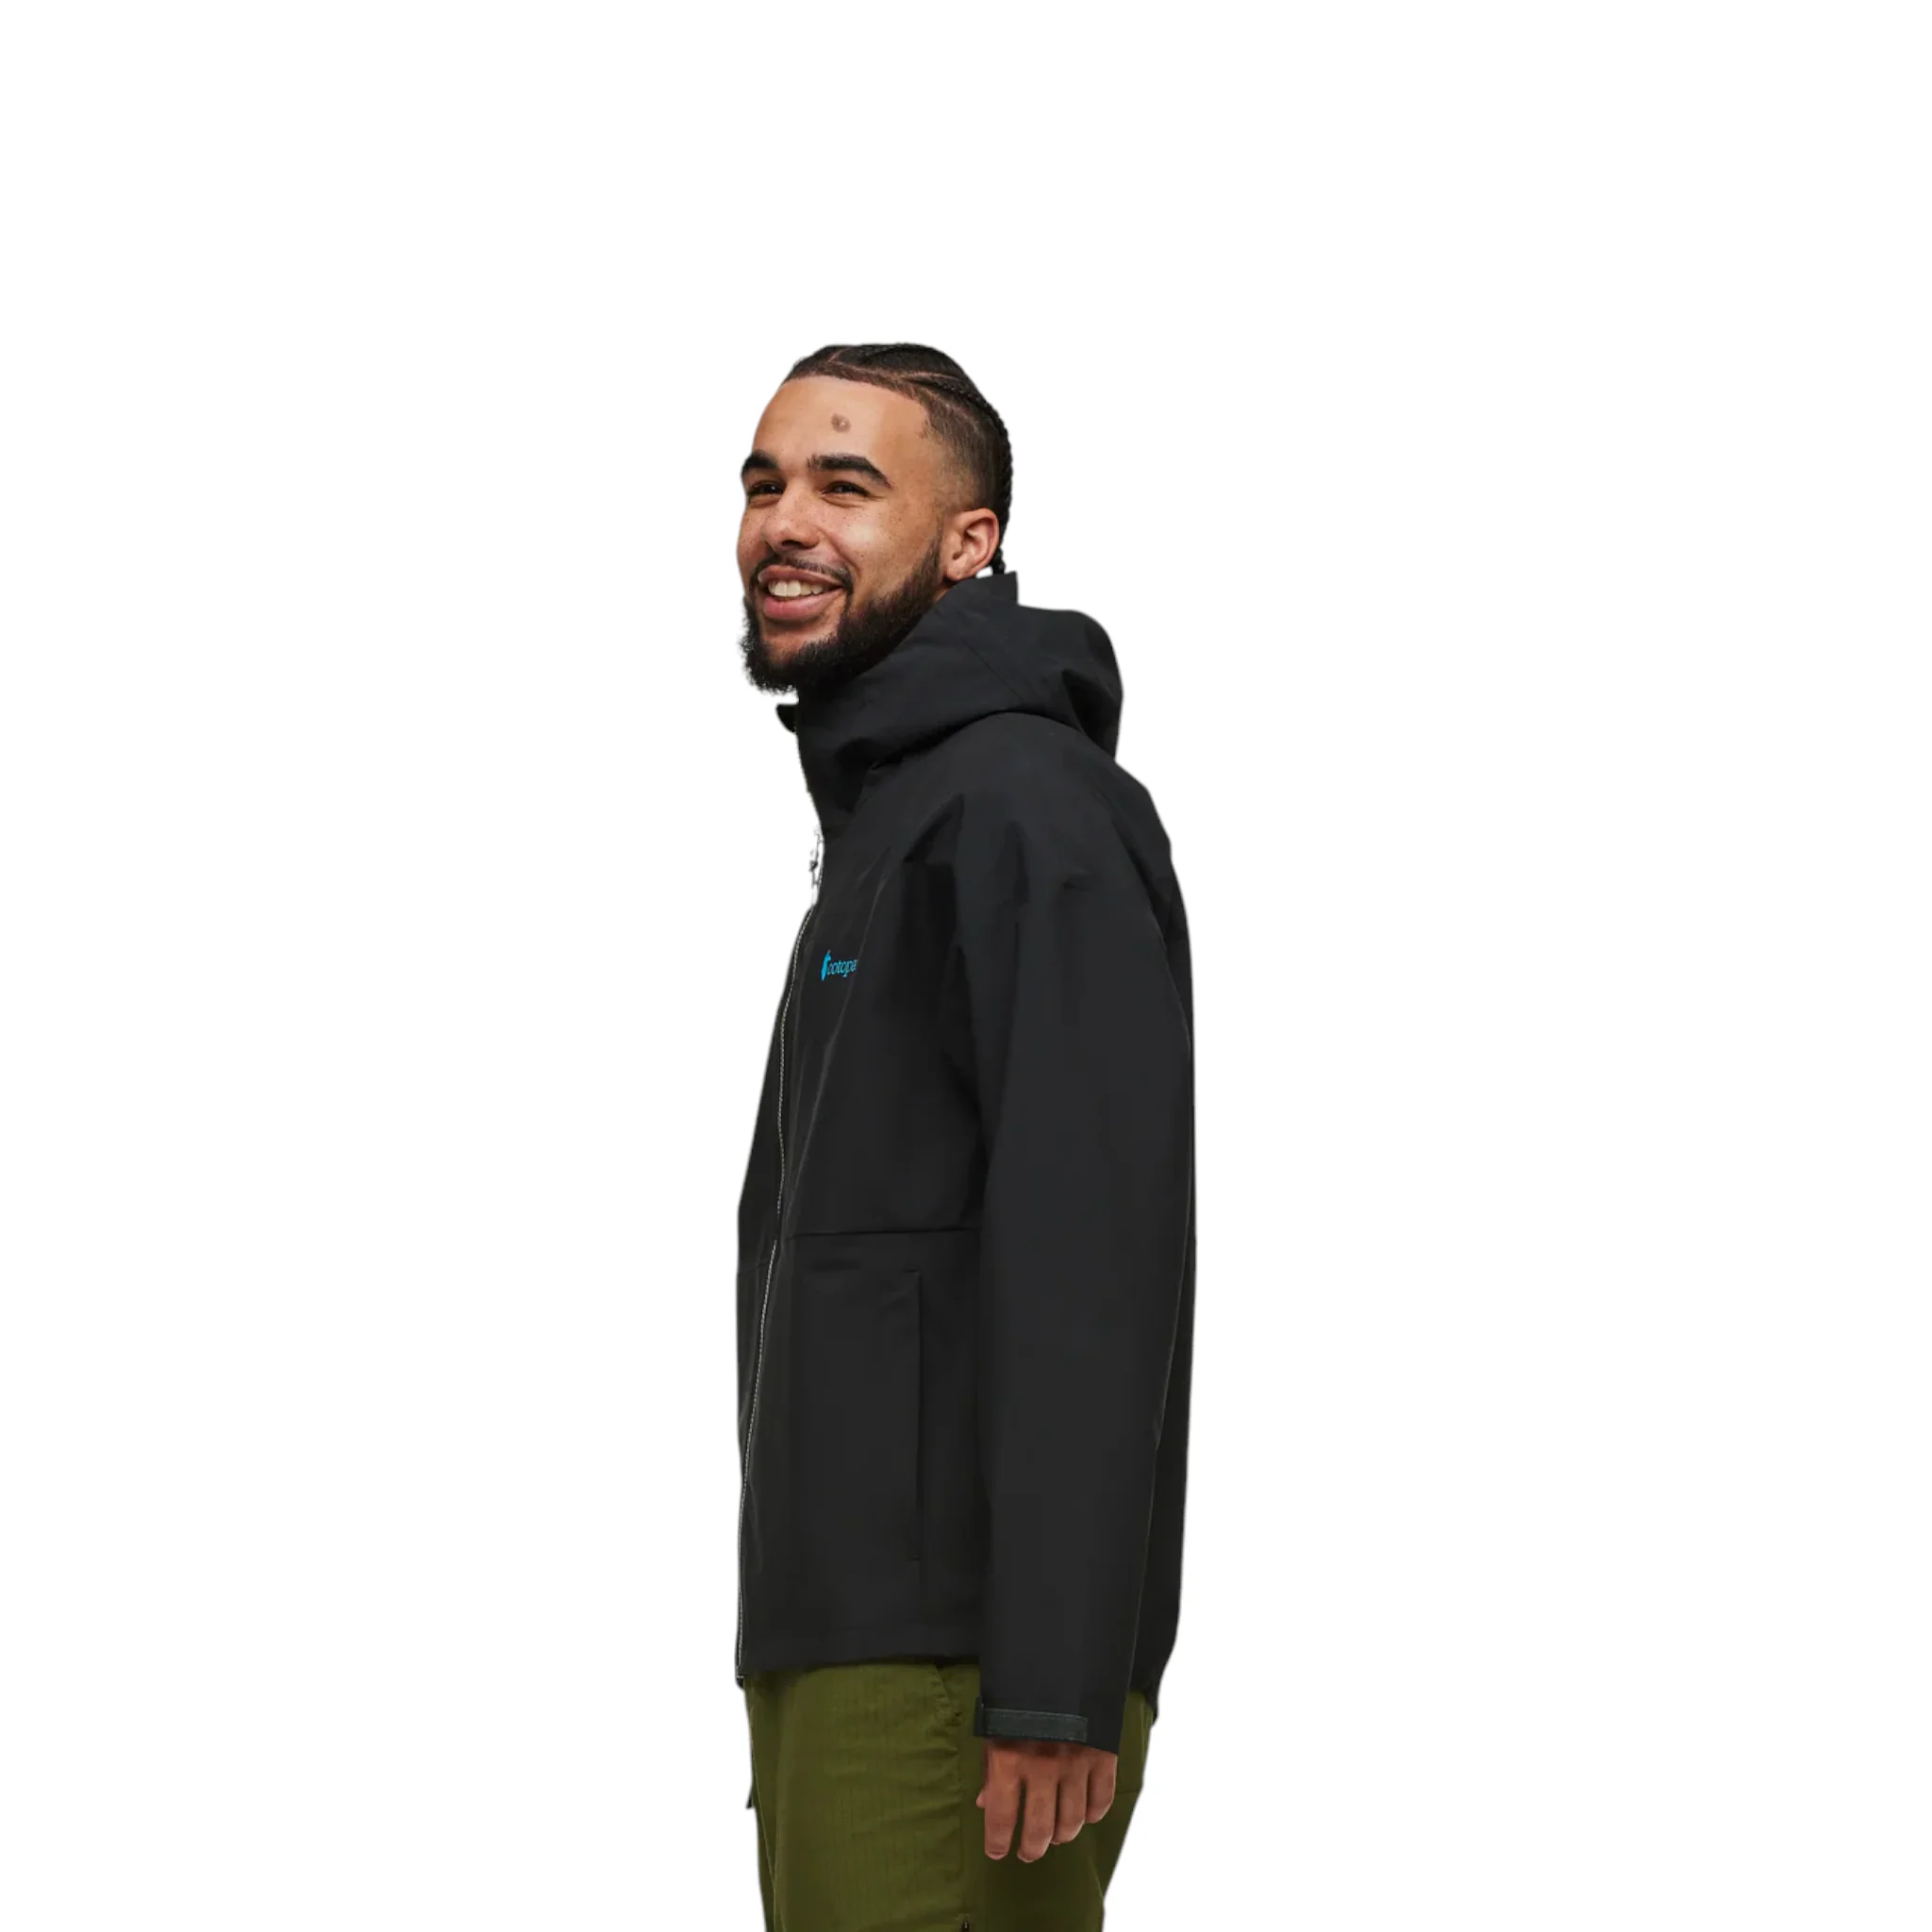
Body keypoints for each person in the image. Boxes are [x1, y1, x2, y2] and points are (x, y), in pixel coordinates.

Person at [731, 342, 1196, 1931]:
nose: (788, 520)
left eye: (847, 486)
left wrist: (1054, 1678)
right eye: (766, 483)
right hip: (853, 1633)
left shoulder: (1025, 809)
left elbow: (1093, 1253)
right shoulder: (898, 824)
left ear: (967, 541)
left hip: (957, 1669)